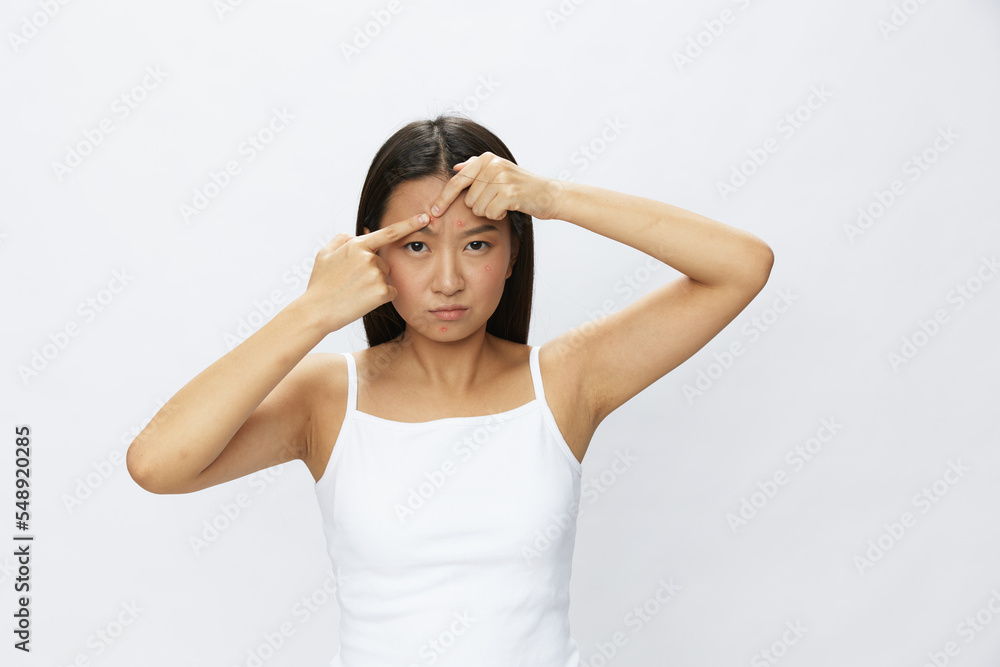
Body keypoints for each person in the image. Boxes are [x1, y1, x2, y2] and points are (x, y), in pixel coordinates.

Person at [126, 114, 773, 666]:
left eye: (477, 243)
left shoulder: (564, 380)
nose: (447, 280)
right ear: (376, 255)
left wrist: (552, 197)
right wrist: (312, 311)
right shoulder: (327, 397)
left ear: (512, 253)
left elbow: (742, 266)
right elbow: (156, 463)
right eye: (415, 245)